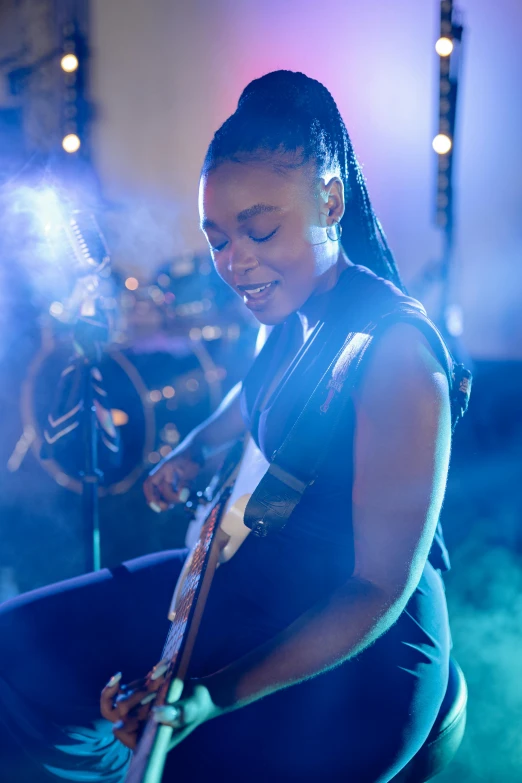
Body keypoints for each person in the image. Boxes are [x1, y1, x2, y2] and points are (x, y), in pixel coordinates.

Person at [0, 70, 454, 782]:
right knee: (15, 648)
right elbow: (255, 393)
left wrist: (211, 694)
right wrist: (193, 445)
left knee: (171, 759)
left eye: (260, 228)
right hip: (267, 575)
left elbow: (377, 586)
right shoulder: (296, 309)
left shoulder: (397, 353)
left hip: (366, 653)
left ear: (330, 199)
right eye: (217, 239)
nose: (235, 263)